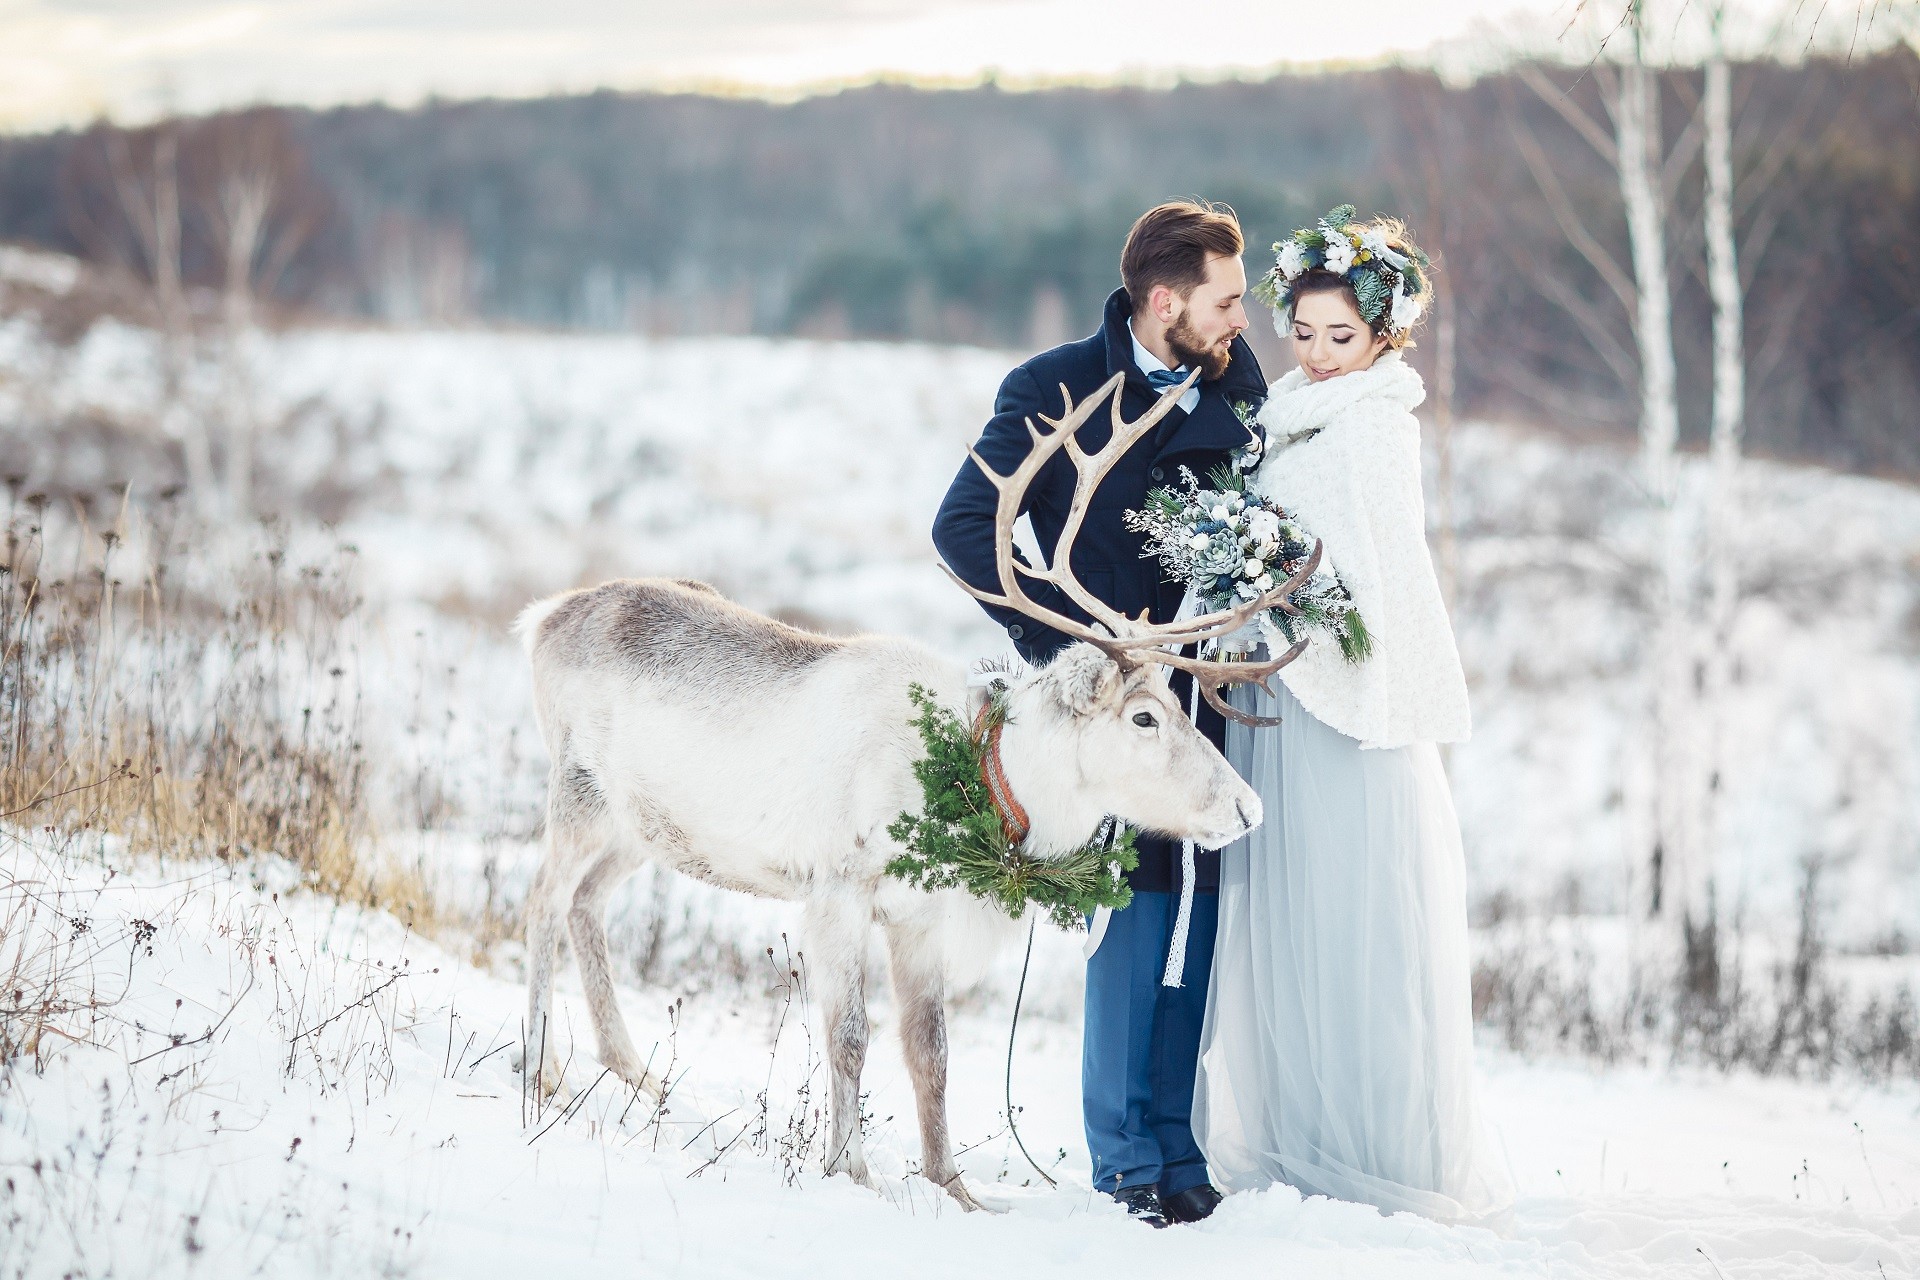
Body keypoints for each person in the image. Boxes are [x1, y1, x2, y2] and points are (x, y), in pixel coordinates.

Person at [931, 200, 1266, 1227]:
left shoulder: (1238, 385)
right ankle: (1123, 1153)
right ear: (1163, 300)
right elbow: (962, 525)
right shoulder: (1049, 387)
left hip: (1202, 681)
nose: (1241, 321)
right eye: (1224, 299)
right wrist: (1069, 658)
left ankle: (1177, 1137)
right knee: (1132, 896)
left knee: (1202, 887)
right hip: (1110, 708)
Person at [1192, 207, 1514, 1224]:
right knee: (1281, 913)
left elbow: (1374, 569)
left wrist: (1285, 582)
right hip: (1272, 687)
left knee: (1350, 916)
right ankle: (1293, 1132)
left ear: (1383, 336)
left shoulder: (1375, 422)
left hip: (1345, 700)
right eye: (1307, 330)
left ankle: (1375, 1145)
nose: (1322, 354)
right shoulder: (1281, 408)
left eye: (1344, 336)